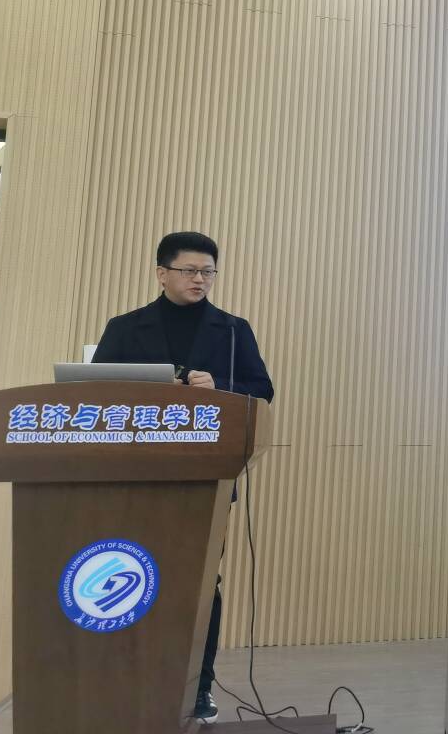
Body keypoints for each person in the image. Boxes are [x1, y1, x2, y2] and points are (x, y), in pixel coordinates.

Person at [92, 231, 274, 724]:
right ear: (162, 273)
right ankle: (128, 681)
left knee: (199, 584)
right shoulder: (125, 328)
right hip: (135, 478)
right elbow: (94, 394)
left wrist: (220, 386)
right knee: (130, 577)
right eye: (190, 271)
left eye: (208, 272)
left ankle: (199, 687)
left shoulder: (232, 330)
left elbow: (262, 389)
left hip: (206, 479)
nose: (200, 280)